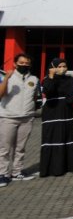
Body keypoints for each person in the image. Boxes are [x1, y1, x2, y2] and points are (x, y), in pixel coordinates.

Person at [0, 53, 40, 187]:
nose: (24, 65)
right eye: (21, 63)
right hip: (8, 117)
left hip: (27, 117)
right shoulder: (7, 77)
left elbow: (35, 97)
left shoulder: (34, 79)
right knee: (4, 148)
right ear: (15, 63)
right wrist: (6, 78)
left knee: (20, 147)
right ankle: (3, 174)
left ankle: (17, 172)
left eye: (26, 63)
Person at [40, 58, 73, 177]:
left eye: (64, 66)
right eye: (59, 66)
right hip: (52, 111)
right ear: (53, 67)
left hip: (66, 111)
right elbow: (49, 91)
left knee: (67, 135)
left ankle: (69, 165)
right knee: (53, 136)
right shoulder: (47, 79)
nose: (62, 68)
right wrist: (52, 76)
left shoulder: (69, 79)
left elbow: (70, 91)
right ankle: (53, 168)